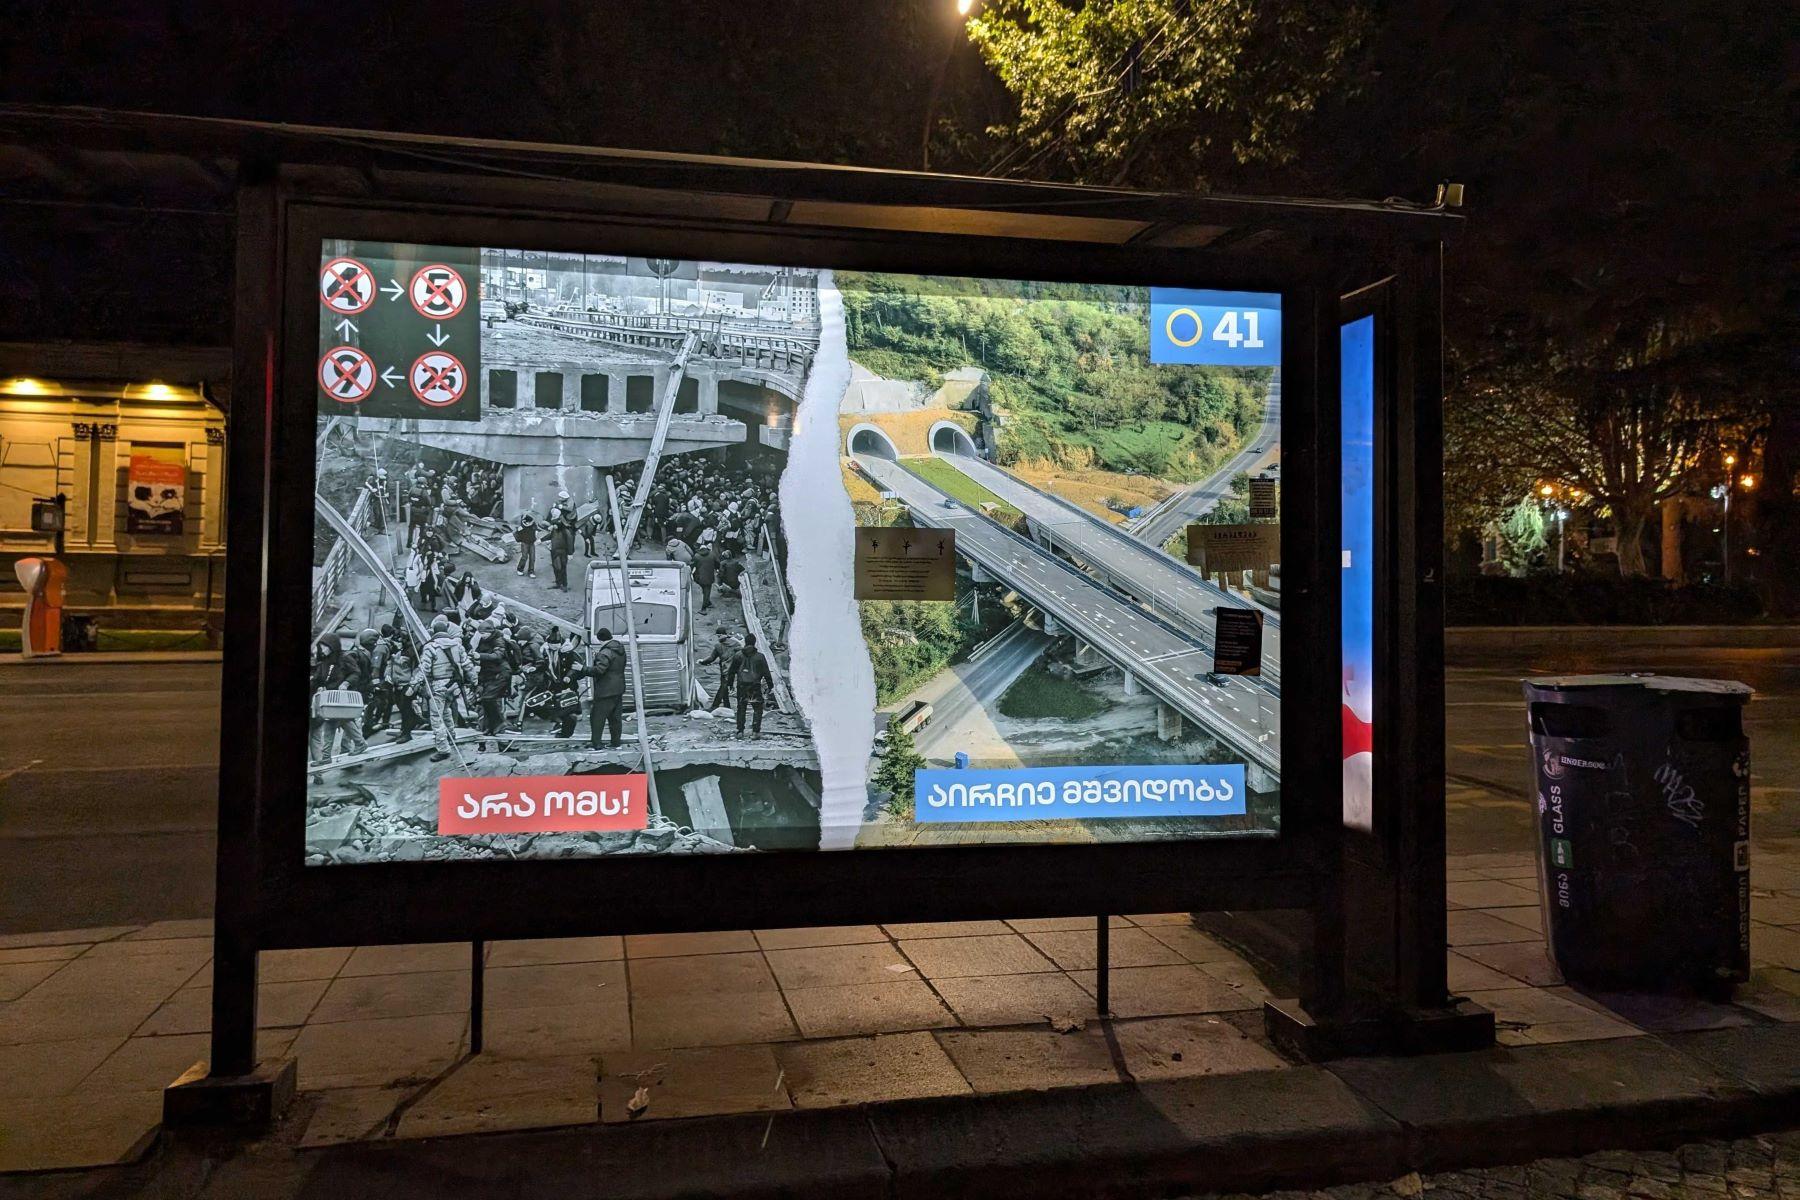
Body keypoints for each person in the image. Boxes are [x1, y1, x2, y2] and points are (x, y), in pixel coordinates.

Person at [417, 613, 475, 763]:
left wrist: (414, 683)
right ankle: (451, 735)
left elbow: (424, 669)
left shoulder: (430, 647)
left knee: (436, 717)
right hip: (454, 685)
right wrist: (474, 680)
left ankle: (443, 749)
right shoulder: (457, 645)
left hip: (438, 685)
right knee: (447, 710)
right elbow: (467, 665)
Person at [309, 636, 368, 765]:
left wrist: (346, 683)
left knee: (341, 720)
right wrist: (318, 686)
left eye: (325, 646)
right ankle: (328, 756)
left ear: (332, 646)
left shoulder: (344, 658)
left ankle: (358, 744)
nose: (322, 649)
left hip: (342, 698)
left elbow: (356, 673)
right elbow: (318, 679)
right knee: (334, 723)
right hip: (330, 699)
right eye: (321, 646)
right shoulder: (324, 662)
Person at [587, 627, 628, 749]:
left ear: (600, 640)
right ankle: (616, 742)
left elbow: (599, 670)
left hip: (605, 690)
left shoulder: (605, 652)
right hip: (618, 688)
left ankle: (597, 744)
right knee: (615, 719)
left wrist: (583, 669)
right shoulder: (620, 648)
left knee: (597, 718)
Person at [474, 621, 511, 746]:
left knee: (488, 699)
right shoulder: (483, 640)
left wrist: (479, 655)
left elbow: (498, 656)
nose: (482, 635)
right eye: (481, 633)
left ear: (490, 632)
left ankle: (500, 723)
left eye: (484, 633)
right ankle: (491, 728)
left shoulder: (498, 640)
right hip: (489, 674)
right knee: (486, 702)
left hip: (501, 674)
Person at [733, 632, 773, 737]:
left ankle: (740, 731)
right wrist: (770, 685)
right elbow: (766, 672)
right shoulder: (760, 657)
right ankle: (755, 732)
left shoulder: (738, 655)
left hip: (741, 685)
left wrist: (730, 684)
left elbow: (732, 671)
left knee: (741, 708)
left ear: (745, 642)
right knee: (757, 708)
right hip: (755, 685)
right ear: (755, 643)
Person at [698, 624, 739, 710]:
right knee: (724, 687)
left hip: (725, 669)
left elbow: (711, 658)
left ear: (719, 636)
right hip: (734, 669)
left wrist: (702, 662)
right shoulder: (736, 643)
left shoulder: (718, 646)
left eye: (718, 636)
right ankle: (727, 706)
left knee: (723, 688)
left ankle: (714, 706)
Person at [547, 494, 576, 590]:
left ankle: (564, 585)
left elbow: (570, 540)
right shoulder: (554, 527)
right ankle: (558, 583)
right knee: (556, 567)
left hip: (563, 550)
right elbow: (550, 535)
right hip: (554, 550)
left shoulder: (565, 529)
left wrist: (570, 553)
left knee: (563, 568)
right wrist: (541, 540)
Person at [691, 545, 718, 612]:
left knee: (705, 590)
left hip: (699, 577)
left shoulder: (697, 556)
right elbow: (717, 564)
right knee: (707, 592)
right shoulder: (712, 555)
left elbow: (692, 565)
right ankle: (704, 609)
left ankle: (708, 603)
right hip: (709, 576)